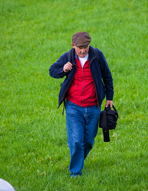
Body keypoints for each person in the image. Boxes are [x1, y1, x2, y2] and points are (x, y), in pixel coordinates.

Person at [49, 31, 114, 177]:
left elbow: (107, 76)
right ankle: (75, 172)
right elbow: (52, 71)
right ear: (73, 46)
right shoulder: (68, 57)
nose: (83, 50)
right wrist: (63, 69)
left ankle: (78, 160)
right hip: (73, 107)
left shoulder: (97, 56)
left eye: (86, 47)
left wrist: (109, 97)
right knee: (77, 141)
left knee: (89, 141)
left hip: (93, 107)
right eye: (80, 48)